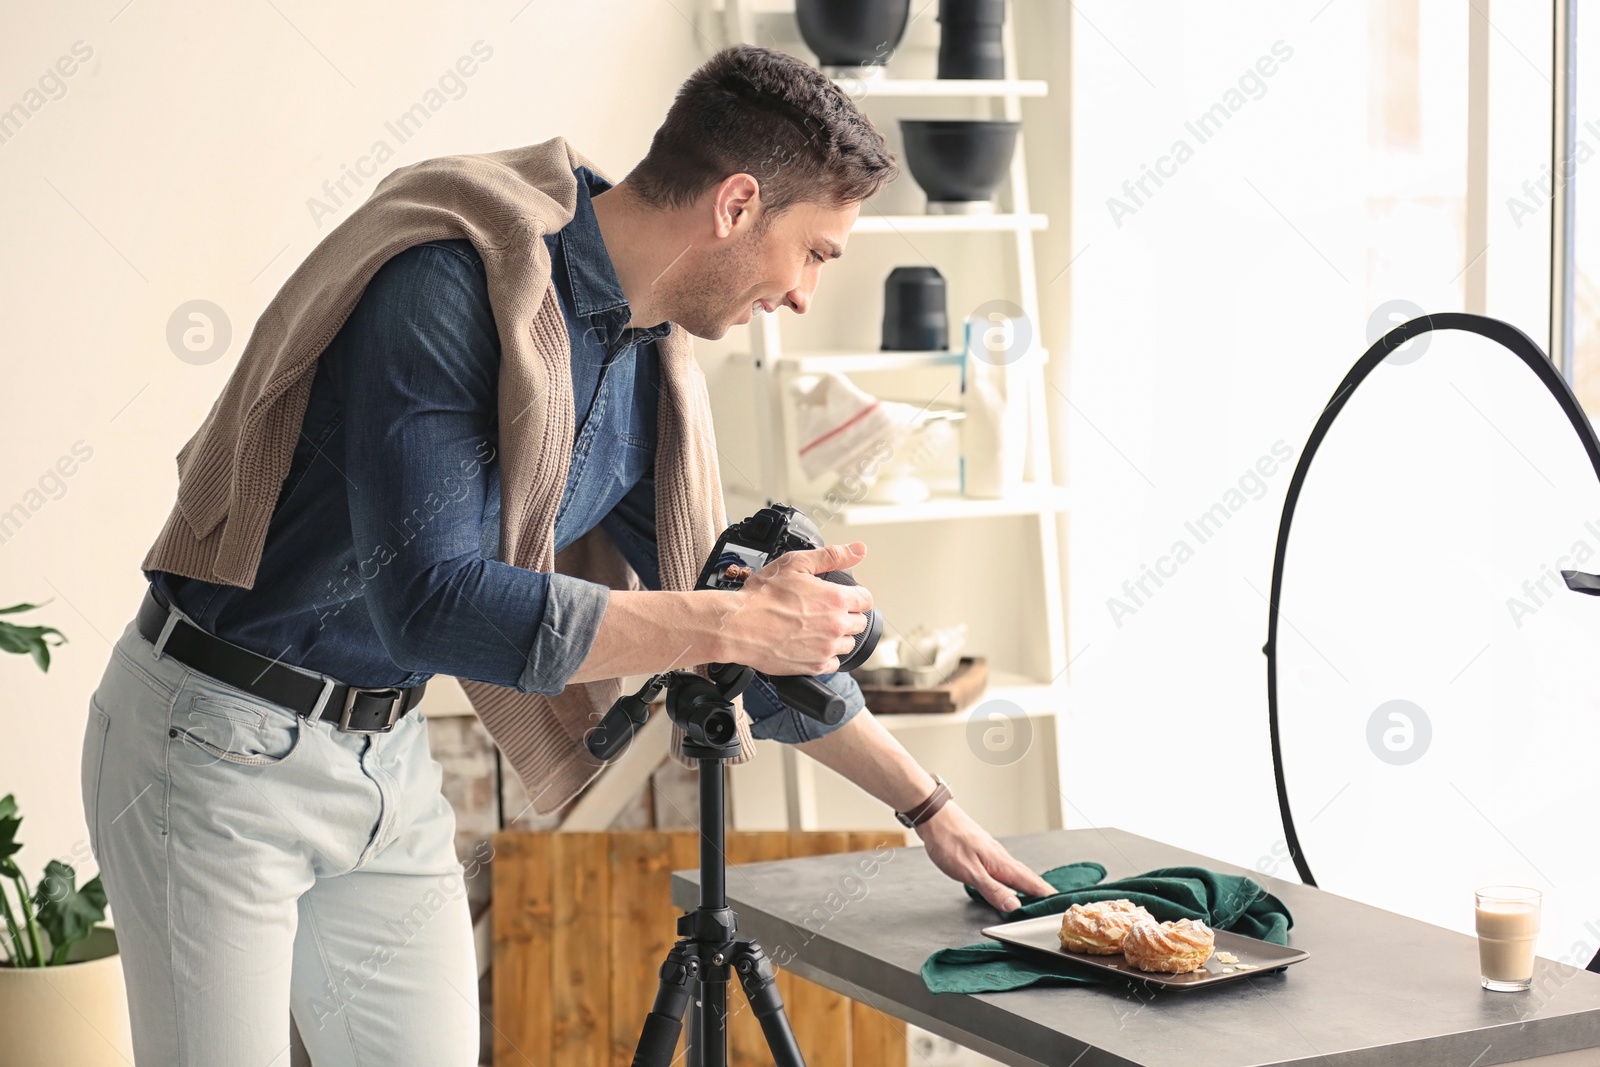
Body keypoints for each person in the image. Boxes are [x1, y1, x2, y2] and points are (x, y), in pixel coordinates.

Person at [82, 43, 1054, 1066]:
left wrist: (929, 807)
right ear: (734, 205)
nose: (807, 292)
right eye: (815, 252)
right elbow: (433, 602)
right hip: (213, 742)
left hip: (382, 753)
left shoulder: (644, 357)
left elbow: (725, 614)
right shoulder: (451, 282)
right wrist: (735, 619)